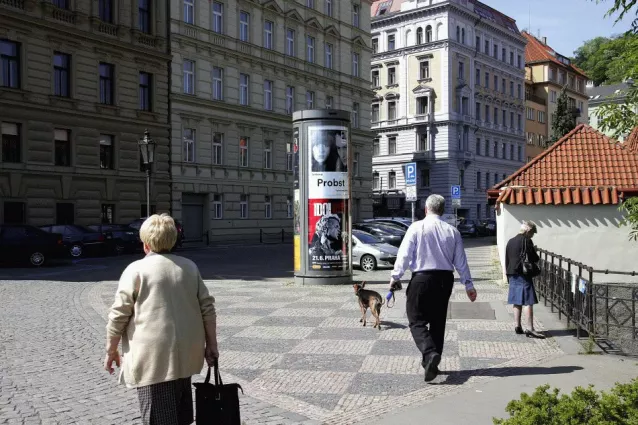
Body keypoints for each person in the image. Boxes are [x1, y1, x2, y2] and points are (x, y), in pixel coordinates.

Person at [103, 213, 218, 425]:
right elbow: (207, 308)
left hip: (153, 359)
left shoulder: (136, 269)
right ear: (173, 239)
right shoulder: (189, 267)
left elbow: (118, 314)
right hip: (187, 353)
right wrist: (212, 344)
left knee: (159, 419)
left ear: (145, 243)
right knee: (182, 417)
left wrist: (111, 350)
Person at [389, 194, 477, 383]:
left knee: (416, 320)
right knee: (438, 322)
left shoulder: (416, 228)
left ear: (426, 209)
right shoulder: (452, 231)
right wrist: (468, 284)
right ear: (443, 210)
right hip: (444, 280)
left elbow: (404, 255)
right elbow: (461, 261)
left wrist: (395, 277)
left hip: (421, 279)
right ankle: (432, 363)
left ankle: (429, 354)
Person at [505, 221, 544, 339]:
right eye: (532, 233)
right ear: (528, 231)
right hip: (523, 274)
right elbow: (534, 258)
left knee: (517, 301)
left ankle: (517, 326)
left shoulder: (510, 241)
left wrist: (508, 275)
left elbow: (507, 258)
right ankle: (530, 328)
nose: (532, 236)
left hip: (512, 273)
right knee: (528, 301)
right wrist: (535, 251)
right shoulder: (527, 241)